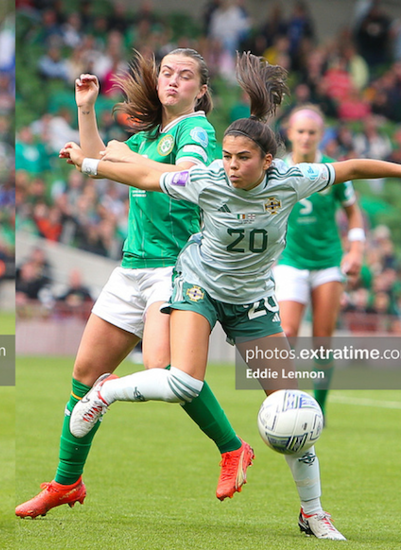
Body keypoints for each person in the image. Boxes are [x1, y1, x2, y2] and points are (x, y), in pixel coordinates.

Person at [62, 52, 401, 540]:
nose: (232, 166)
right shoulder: (206, 180)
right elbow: (144, 177)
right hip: (198, 285)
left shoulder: (292, 180)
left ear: (268, 160)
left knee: (293, 406)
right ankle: (105, 391)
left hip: (252, 298)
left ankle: (313, 513)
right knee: (182, 382)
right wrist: (91, 164)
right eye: (227, 156)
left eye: (243, 158)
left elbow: (349, 169)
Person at [16, 48, 252, 519]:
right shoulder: (149, 134)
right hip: (131, 267)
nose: (173, 81)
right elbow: (98, 155)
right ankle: (66, 483)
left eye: (186, 77)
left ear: (200, 91)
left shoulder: (195, 129)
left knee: (167, 368)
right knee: (83, 376)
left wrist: (108, 162)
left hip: (175, 265)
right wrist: (86, 109)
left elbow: (180, 177)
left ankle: (232, 448)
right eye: (167, 72)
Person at [273, 106, 365, 418]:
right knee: (287, 330)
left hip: (327, 262)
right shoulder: (278, 171)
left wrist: (355, 251)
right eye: (301, 131)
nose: (306, 137)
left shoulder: (333, 171)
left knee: (322, 339)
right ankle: (286, 405)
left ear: (320, 135)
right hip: (290, 260)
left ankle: (319, 411)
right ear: (290, 133)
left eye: (312, 132)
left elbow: (353, 212)